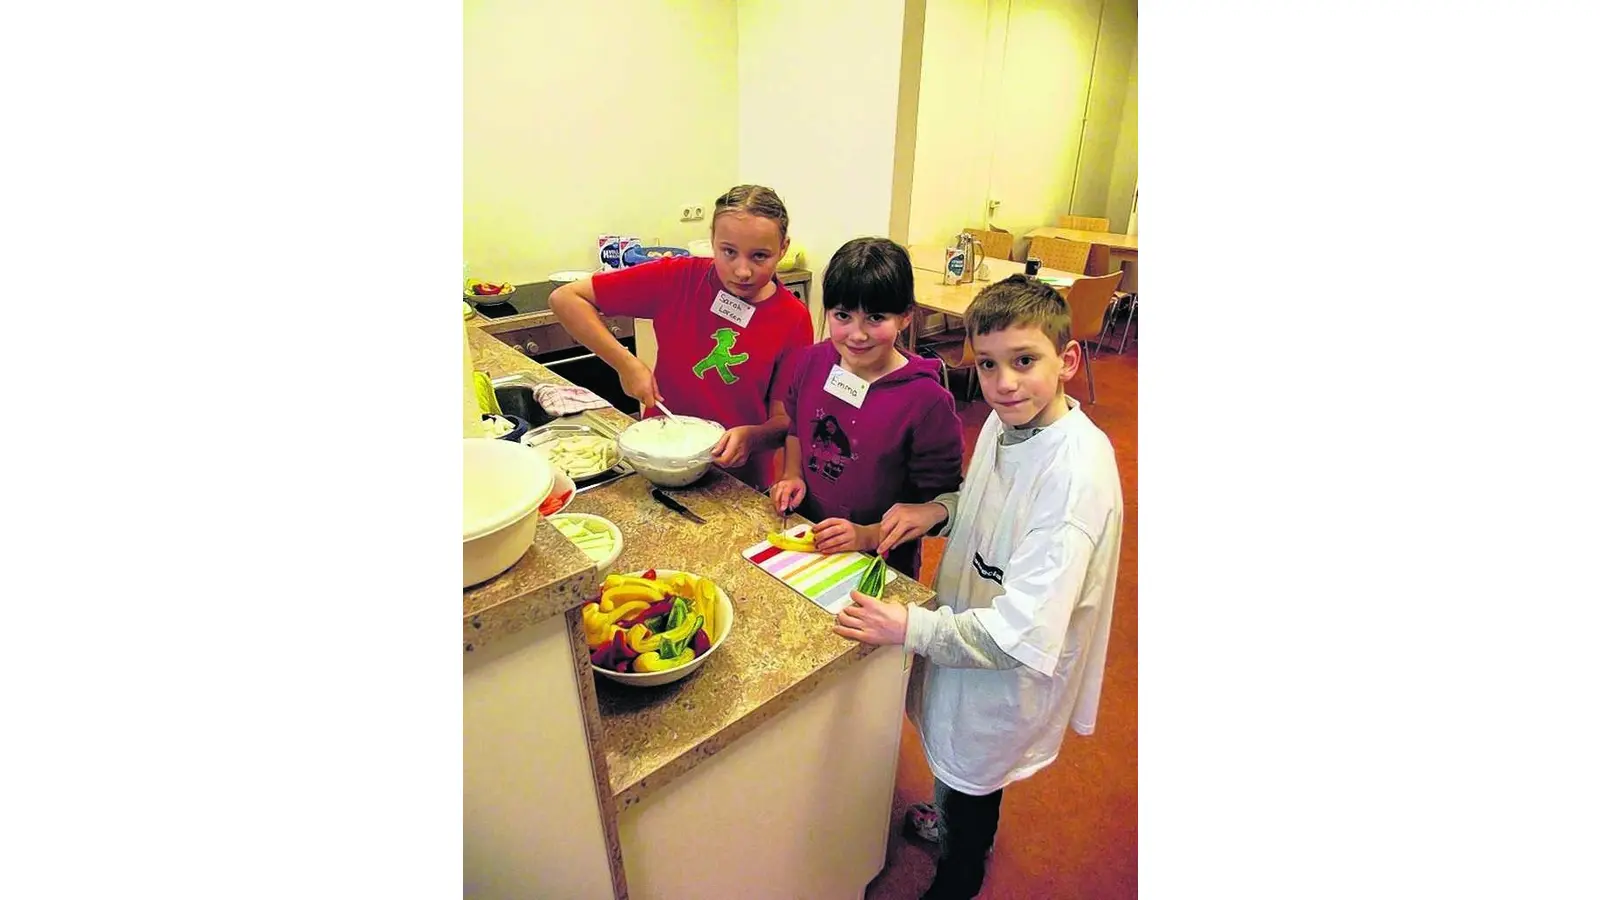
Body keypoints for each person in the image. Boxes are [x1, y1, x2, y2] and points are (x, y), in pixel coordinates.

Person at [831, 274, 1124, 900]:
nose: (1005, 382)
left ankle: (959, 873)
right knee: (955, 752)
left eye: (1025, 361)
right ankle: (954, 820)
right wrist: (938, 511)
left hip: (1004, 660)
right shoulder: (1008, 420)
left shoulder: (1074, 480)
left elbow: (1020, 636)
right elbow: (988, 504)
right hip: (970, 622)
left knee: (974, 770)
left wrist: (906, 626)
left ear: (1068, 360)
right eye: (988, 365)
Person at [548, 184, 814, 489]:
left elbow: (784, 421)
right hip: (660, 460)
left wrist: (753, 437)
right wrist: (626, 363)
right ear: (712, 240)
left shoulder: (793, 318)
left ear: (783, 248)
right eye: (728, 252)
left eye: (760, 257)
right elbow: (566, 299)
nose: (742, 271)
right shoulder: (678, 278)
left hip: (738, 481)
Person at [768, 237, 963, 579]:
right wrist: (792, 474)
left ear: (905, 317)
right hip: (809, 535)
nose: (857, 335)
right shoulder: (812, 361)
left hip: (881, 560)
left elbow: (936, 505)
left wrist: (866, 535)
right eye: (843, 315)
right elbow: (798, 427)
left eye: (875, 317)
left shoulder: (927, 402)